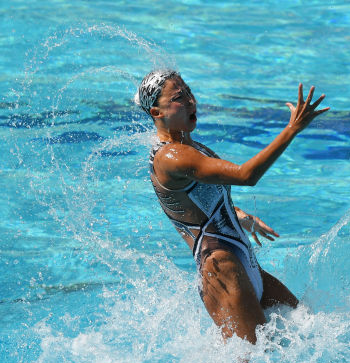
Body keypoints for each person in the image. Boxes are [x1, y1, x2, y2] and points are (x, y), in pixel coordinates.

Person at [136, 69, 328, 344]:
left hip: (245, 263)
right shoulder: (170, 156)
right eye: (179, 97)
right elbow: (246, 175)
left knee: (312, 334)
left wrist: (241, 216)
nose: (191, 101)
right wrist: (292, 129)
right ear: (156, 112)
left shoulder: (192, 147)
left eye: (189, 91)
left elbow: (204, 200)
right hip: (222, 270)